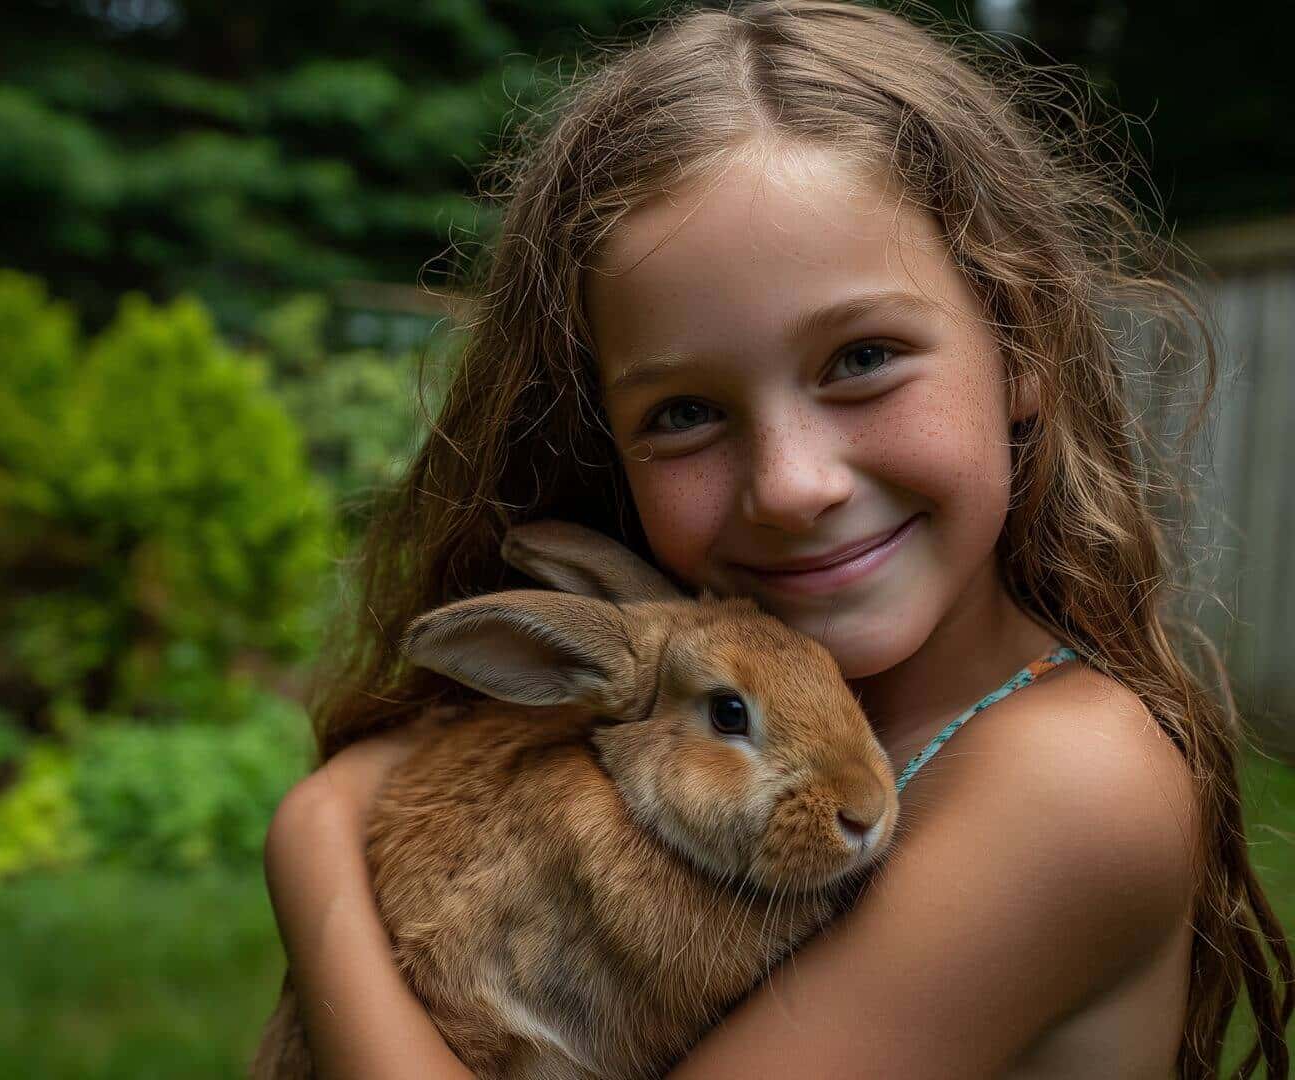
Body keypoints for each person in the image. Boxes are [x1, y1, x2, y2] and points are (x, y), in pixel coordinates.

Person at [259, 1, 1294, 1077]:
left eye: (862, 358)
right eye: (684, 414)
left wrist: (315, 847)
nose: (793, 484)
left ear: (1020, 343)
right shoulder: (767, 709)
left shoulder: (1071, 782)